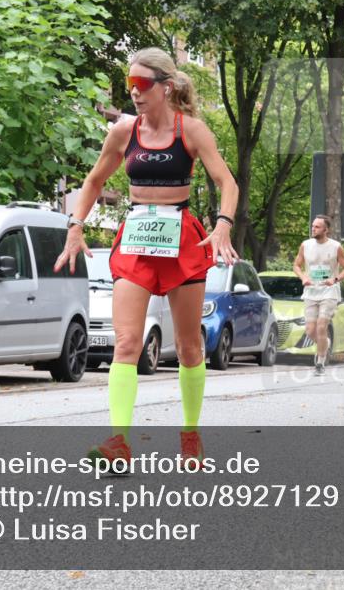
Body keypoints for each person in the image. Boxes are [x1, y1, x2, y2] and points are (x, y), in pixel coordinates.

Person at [54, 47, 239, 469]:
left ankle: (190, 435)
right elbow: (94, 180)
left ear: (165, 87)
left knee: (191, 346)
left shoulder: (190, 130)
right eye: (129, 85)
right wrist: (75, 225)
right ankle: (119, 441)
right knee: (128, 342)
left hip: (181, 241)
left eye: (141, 85)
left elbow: (226, 181)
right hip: (136, 238)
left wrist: (224, 223)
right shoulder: (123, 131)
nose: (134, 93)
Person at [293, 215, 344, 375]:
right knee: (310, 330)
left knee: (321, 327)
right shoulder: (305, 245)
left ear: (326, 230)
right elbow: (296, 265)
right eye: (313, 226)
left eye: (317, 227)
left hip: (329, 292)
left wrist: (335, 279)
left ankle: (320, 362)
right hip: (311, 292)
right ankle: (325, 342)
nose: (313, 229)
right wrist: (303, 277)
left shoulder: (336, 247)